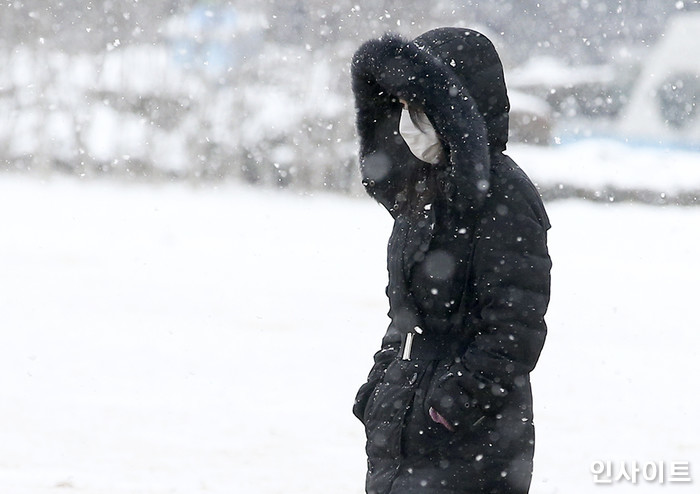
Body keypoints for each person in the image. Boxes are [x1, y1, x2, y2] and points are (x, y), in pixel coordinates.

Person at [350, 28, 552, 494]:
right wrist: (383, 383)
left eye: (419, 110)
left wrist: (448, 406)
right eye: (401, 109)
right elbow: (406, 315)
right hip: (402, 432)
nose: (407, 123)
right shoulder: (422, 189)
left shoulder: (504, 196)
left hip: (468, 443)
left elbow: (514, 328)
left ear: (455, 111)